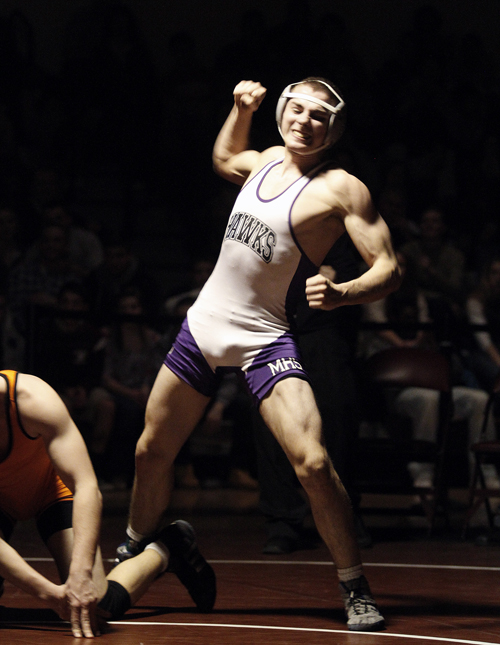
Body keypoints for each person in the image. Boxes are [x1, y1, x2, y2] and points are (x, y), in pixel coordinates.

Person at [115, 78, 401, 632]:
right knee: (151, 450)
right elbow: (224, 157)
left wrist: (345, 293)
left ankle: (354, 585)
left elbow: (389, 268)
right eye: (296, 110)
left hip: (264, 335)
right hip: (204, 327)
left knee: (314, 465)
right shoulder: (266, 158)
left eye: (319, 116)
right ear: (282, 113)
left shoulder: (343, 188)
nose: (304, 122)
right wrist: (240, 109)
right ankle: (133, 550)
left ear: (334, 129)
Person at [0, 370, 216, 638]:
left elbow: (86, 486)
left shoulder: (32, 399)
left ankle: (168, 547)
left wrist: (81, 574)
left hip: (52, 492)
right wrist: (50, 595)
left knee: (98, 605)